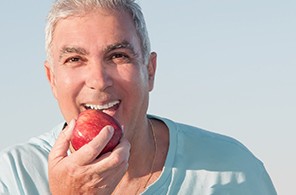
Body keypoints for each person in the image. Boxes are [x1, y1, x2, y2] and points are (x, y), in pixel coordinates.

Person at [0, 0, 277, 194]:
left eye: (118, 56)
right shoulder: (13, 177)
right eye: (75, 59)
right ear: (52, 80)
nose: (98, 80)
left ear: (150, 70)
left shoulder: (233, 171)